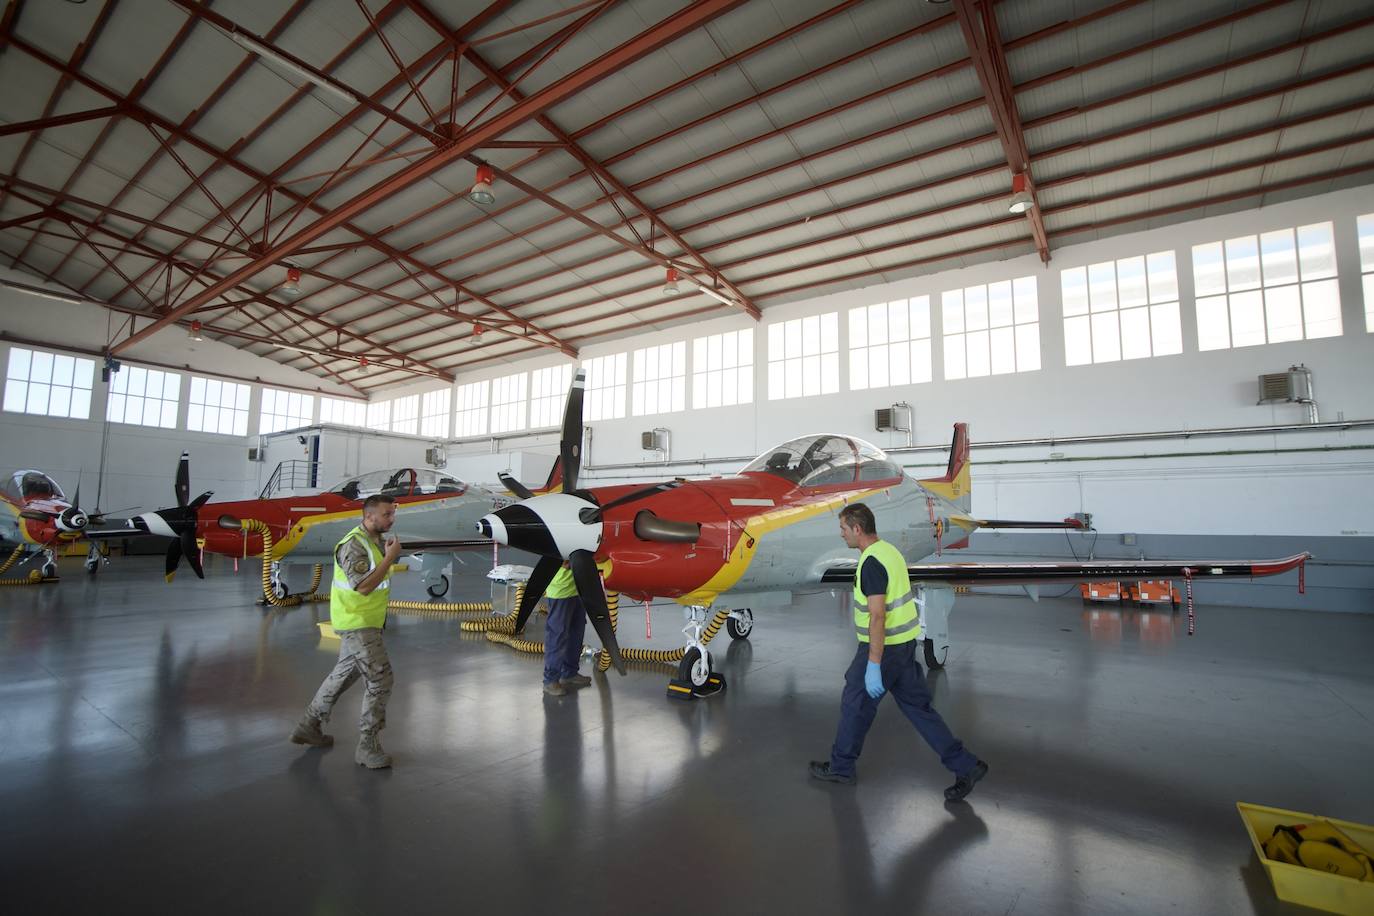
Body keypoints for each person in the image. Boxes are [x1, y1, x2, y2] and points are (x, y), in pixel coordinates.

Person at [810, 502, 988, 800]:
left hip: (884, 649)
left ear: (857, 528)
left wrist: (873, 664)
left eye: (843, 529)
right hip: (904, 647)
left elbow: (878, 616)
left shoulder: (870, 563)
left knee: (855, 704)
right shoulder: (889, 551)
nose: (841, 535)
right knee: (920, 710)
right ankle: (965, 765)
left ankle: (841, 768)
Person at [290, 495, 401, 769]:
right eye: (387, 514)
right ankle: (367, 746)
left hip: (365, 620)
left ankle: (309, 725)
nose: (392, 519)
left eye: (392, 514)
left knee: (344, 673)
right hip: (357, 622)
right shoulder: (354, 544)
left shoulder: (372, 541)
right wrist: (390, 559)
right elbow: (362, 586)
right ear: (370, 516)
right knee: (380, 679)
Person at [542, 562, 592, 696]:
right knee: (557, 636)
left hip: (578, 588)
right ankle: (550, 680)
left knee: (576, 633)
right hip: (561, 589)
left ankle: (569, 673)